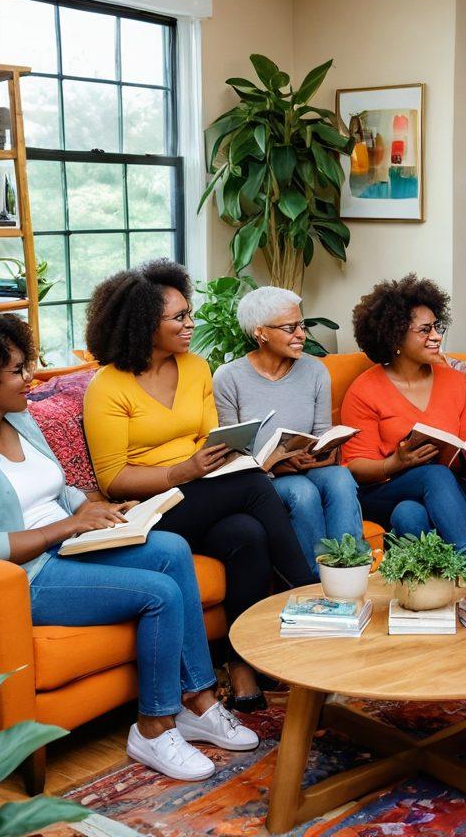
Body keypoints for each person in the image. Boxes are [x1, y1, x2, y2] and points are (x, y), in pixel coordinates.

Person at [0, 313, 258, 782]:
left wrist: (109, 509)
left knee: (172, 548)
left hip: (71, 543)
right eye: (16, 371)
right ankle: (153, 728)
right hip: (28, 575)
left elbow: (59, 491)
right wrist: (68, 527)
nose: (29, 378)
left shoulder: (18, 419)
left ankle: (197, 699)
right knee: (161, 593)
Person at [82, 260, 315, 712]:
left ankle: (240, 662)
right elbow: (112, 479)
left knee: (246, 534)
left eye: (190, 314)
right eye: (179, 317)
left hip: (203, 491)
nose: (191, 324)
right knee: (253, 485)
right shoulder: (107, 387)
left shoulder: (195, 368)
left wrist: (229, 455)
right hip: (149, 504)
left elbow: (211, 440)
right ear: (143, 324)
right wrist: (181, 472)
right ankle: (306, 593)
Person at [213, 286, 363, 575]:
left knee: (341, 477)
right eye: (290, 327)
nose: (301, 335)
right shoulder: (228, 377)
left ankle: (349, 571)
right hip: (262, 479)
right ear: (261, 333)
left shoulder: (316, 371)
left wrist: (319, 454)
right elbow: (232, 455)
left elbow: (323, 435)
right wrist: (278, 465)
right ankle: (313, 583)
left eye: (302, 325)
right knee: (302, 492)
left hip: (308, 466)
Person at [341, 274, 466, 551]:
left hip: (456, 492)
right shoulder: (364, 390)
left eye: (437, 327)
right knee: (433, 476)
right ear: (395, 335)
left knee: (409, 515)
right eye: (425, 330)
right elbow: (355, 468)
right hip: (386, 489)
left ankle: (423, 589)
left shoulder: (455, 382)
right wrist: (394, 463)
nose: (436, 337)